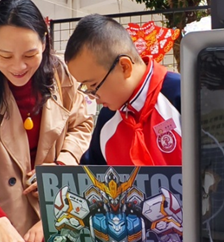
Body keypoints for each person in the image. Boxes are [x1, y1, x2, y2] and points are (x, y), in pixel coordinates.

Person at [0, 0, 93, 242]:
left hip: (60, 207)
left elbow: (82, 125)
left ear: (44, 42)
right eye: (5, 56)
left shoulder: (62, 76)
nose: (18, 67)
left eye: (30, 55)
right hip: (3, 222)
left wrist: (61, 165)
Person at [65, 14, 182, 166]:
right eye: (85, 88)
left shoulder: (183, 94)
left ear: (124, 67)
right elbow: (91, 176)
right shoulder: (108, 119)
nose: (94, 97)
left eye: (93, 85)